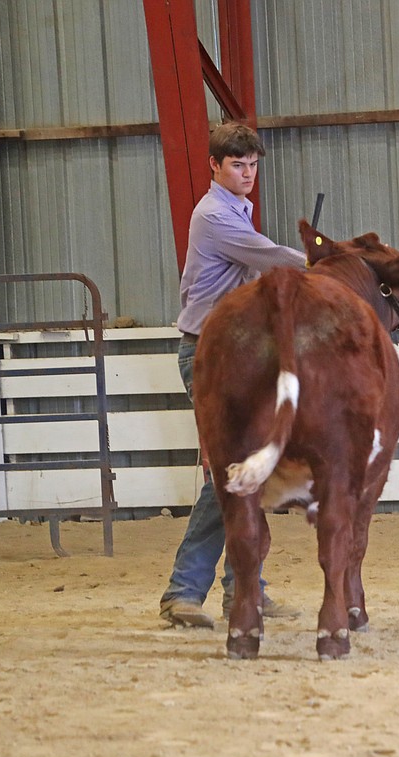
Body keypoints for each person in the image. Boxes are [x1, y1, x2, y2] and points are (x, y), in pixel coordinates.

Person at [159, 122, 306, 628]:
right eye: (237, 165)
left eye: (252, 165)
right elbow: (269, 258)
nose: (247, 174)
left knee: (246, 471)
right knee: (231, 474)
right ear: (214, 168)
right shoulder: (217, 216)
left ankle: (241, 589)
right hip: (207, 354)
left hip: (231, 352)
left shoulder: (233, 211)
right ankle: (185, 591)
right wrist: (321, 262)